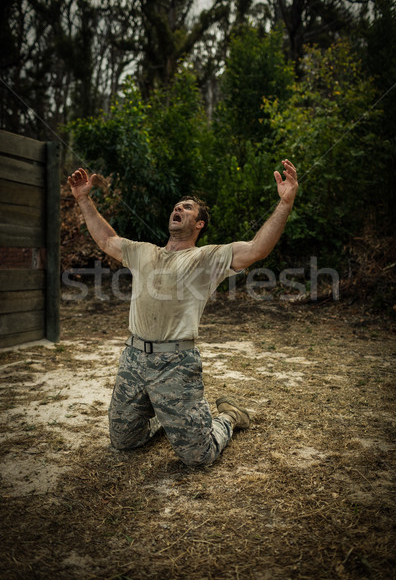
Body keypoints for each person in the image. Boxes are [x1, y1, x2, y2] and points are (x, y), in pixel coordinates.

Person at [68, 159, 298, 466]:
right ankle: (168, 418)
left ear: (199, 224)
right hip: (133, 360)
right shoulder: (143, 252)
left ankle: (228, 417)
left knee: (198, 456)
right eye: (177, 206)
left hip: (175, 364)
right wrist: (83, 198)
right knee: (124, 443)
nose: (179, 208)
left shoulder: (207, 258)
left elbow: (257, 248)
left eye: (187, 207)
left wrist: (285, 202)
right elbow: (106, 239)